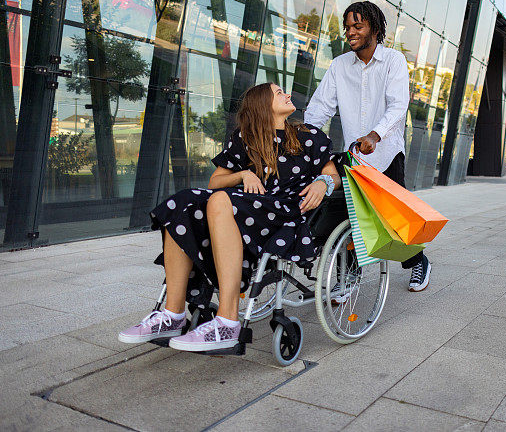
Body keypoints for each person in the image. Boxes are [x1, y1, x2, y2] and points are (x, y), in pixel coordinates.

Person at [118, 83, 341, 351]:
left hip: (284, 210)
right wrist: (243, 174)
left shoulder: (308, 135)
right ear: (262, 105)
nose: (288, 95)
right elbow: (216, 181)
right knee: (183, 201)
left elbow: (333, 173)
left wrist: (322, 183)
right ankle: (172, 315)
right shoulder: (245, 138)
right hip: (246, 205)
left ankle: (227, 322)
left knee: (221, 199)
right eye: (279, 93)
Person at [304, 0, 431, 292]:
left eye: (357, 26)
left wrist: (375, 135)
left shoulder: (394, 61)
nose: (350, 32)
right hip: (354, 158)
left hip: (387, 153)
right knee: (347, 215)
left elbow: (399, 105)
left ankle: (418, 262)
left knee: (395, 219)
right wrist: (306, 137)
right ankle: (348, 277)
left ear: (374, 28)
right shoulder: (339, 65)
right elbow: (320, 107)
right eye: (348, 27)